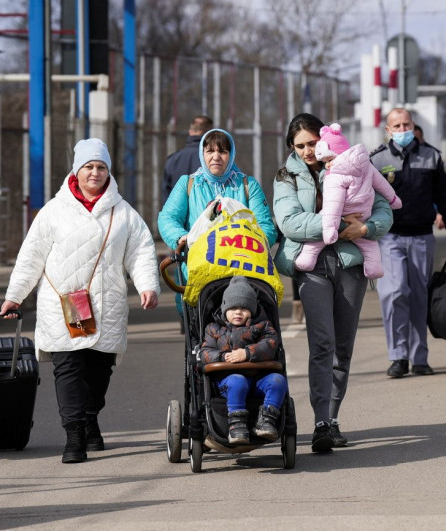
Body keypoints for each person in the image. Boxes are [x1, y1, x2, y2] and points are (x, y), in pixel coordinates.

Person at [0, 138, 160, 464]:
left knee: (99, 371)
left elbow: (141, 251)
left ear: (108, 171)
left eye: (101, 167)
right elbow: (31, 256)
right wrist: (14, 297)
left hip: (106, 303)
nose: (95, 173)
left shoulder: (123, 212)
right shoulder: (54, 211)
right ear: (76, 170)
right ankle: (74, 435)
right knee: (69, 368)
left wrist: (147, 285)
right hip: (64, 304)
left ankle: (89, 417)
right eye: (89, 166)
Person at [273, 113, 393, 452]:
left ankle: (334, 416)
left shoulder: (353, 163)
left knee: (344, 346)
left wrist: (367, 229)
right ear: (291, 148)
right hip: (312, 267)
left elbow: (384, 209)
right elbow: (290, 222)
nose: (309, 151)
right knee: (322, 343)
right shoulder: (286, 178)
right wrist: (341, 223)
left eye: (313, 143)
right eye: (301, 146)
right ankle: (320, 421)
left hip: (351, 264)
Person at [369, 108, 446, 379]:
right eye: (396, 126)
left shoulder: (431, 156)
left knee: (419, 296)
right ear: (387, 130)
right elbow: (365, 199)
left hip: (422, 237)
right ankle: (398, 356)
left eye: (406, 124)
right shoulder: (376, 160)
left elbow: (445, 197)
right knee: (395, 292)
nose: (402, 130)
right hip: (390, 237)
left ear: (414, 125)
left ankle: (419, 357)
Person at [157, 128, 277, 323]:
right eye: (209, 151)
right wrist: (182, 237)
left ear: (231, 155)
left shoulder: (247, 185)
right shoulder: (188, 184)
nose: (216, 157)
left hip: (241, 268)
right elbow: (167, 217)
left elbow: (265, 225)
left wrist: (256, 241)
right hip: (199, 270)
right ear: (202, 154)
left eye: (222, 151)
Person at [295, 123, 401, 279]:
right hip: (363, 215)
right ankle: (374, 269)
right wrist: (394, 199)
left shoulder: (334, 176)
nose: (328, 164)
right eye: (325, 161)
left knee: (315, 243)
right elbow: (382, 184)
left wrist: (331, 228)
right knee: (370, 246)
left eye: (329, 159)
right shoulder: (366, 165)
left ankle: (307, 259)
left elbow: (333, 205)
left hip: (342, 215)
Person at [198, 275, 286, 444]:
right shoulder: (213, 328)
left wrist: (247, 353)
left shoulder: (263, 326)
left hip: (258, 379)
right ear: (224, 309)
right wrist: (223, 357)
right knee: (238, 381)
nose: (238, 312)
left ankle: (266, 420)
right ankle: (236, 425)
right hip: (226, 382)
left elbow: (271, 344)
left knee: (278, 380)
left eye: (244, 308)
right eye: (233, 308)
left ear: (252, 310)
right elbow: (205, 352)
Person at [162, 115, 213, 202]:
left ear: (190, 131)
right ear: (208, 133)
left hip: (178, 213)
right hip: (206, 213)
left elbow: (166, 197)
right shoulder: (215, 159)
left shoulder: (173, 159)